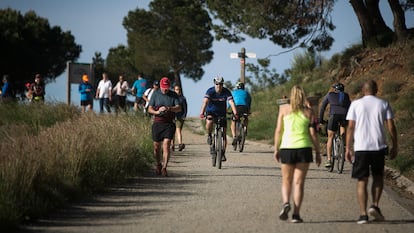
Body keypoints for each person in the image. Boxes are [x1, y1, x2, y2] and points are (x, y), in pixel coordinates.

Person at [345, 80, 398, 224]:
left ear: (363, 90)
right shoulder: (383, 104)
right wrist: (395, 145)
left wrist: (348, 148)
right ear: (376, 90)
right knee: (378, 177)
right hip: (378, 147)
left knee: (362, 180)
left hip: (361, 148)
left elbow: (350, 127)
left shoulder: (355, 104)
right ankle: (374, 205)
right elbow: (391, 127)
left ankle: (363, 215)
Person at [273, 85, 321, 223]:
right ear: (303, 96)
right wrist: (317, 152)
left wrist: (276, 149)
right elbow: (313, 134)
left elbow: (278, 130)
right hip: (304, 149)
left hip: (287, 148)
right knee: (299, 183)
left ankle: (286, 202)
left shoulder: (284, 109)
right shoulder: (309, 112)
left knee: (286, 180)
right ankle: (296, 215)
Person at [147, 77, 181, 177]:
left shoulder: (173, 95)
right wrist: (157, 112)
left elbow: (179, 108)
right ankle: (158, 164)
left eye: (166, 87)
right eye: (163, 87)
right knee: (156, 147)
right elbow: (149, 109)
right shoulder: (155, 94)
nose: (165, 89)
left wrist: (169, 108)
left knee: (166, 145)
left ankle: (164, 168)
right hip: (157, 123)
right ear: (160, 86)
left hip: (169, 124)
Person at [199, 76, 238, 162]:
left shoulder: (226, 91)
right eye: (217, 84)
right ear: (214, 83)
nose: (218, 86)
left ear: (222, 84)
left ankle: (223, 152)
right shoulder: (210, 91)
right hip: (211, 112)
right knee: (209, 121)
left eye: (220, 84)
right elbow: (205, 102)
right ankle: (209, 135)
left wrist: (235, 113)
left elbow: (231, 102)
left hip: (221, 113)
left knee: (223, 134)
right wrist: (202, 113)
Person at [319, 82, 351, 168]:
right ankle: (342, 144)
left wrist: (320, 120)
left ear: (335, 89)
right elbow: (350, 107)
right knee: (342, 129)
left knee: (330, 137)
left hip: (334, 116)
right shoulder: (346, 96)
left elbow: (323, 107)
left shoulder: (330, 95)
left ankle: (329, 160)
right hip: (344, 116)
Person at [230, 81, 252, 146]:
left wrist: (227, 109)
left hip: (236, 108)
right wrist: (248, 110)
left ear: (237, 87)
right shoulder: (247, 93)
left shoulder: (234, 92)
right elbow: (249, 102)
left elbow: (230, 102)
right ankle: (245, 128)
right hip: (245, 108)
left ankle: (234, 136)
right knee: (245, 117)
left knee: (233, 121)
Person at [172, 85, 188, 151]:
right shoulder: (172, 98)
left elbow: (185, 108)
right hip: (172, 116)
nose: (177, 91)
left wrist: (184, 116)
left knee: (178, 130)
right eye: (176, 89)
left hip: (180, 117)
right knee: (172, 131)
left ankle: (180, 144)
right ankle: (172, 145)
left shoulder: (182, 98)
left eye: (178, 89)